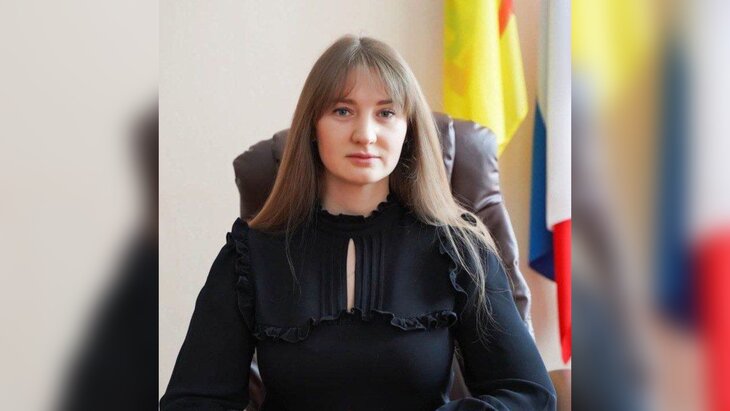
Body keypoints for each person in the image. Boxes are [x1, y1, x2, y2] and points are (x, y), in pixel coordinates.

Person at [160, 35, 556, 410]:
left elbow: (529, 396)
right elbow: (192, 402)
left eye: (386, 113)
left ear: (408, 130)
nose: (365, 135)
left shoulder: (459, 249)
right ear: (312, 127)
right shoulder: (250, 255)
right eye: (343, 111)